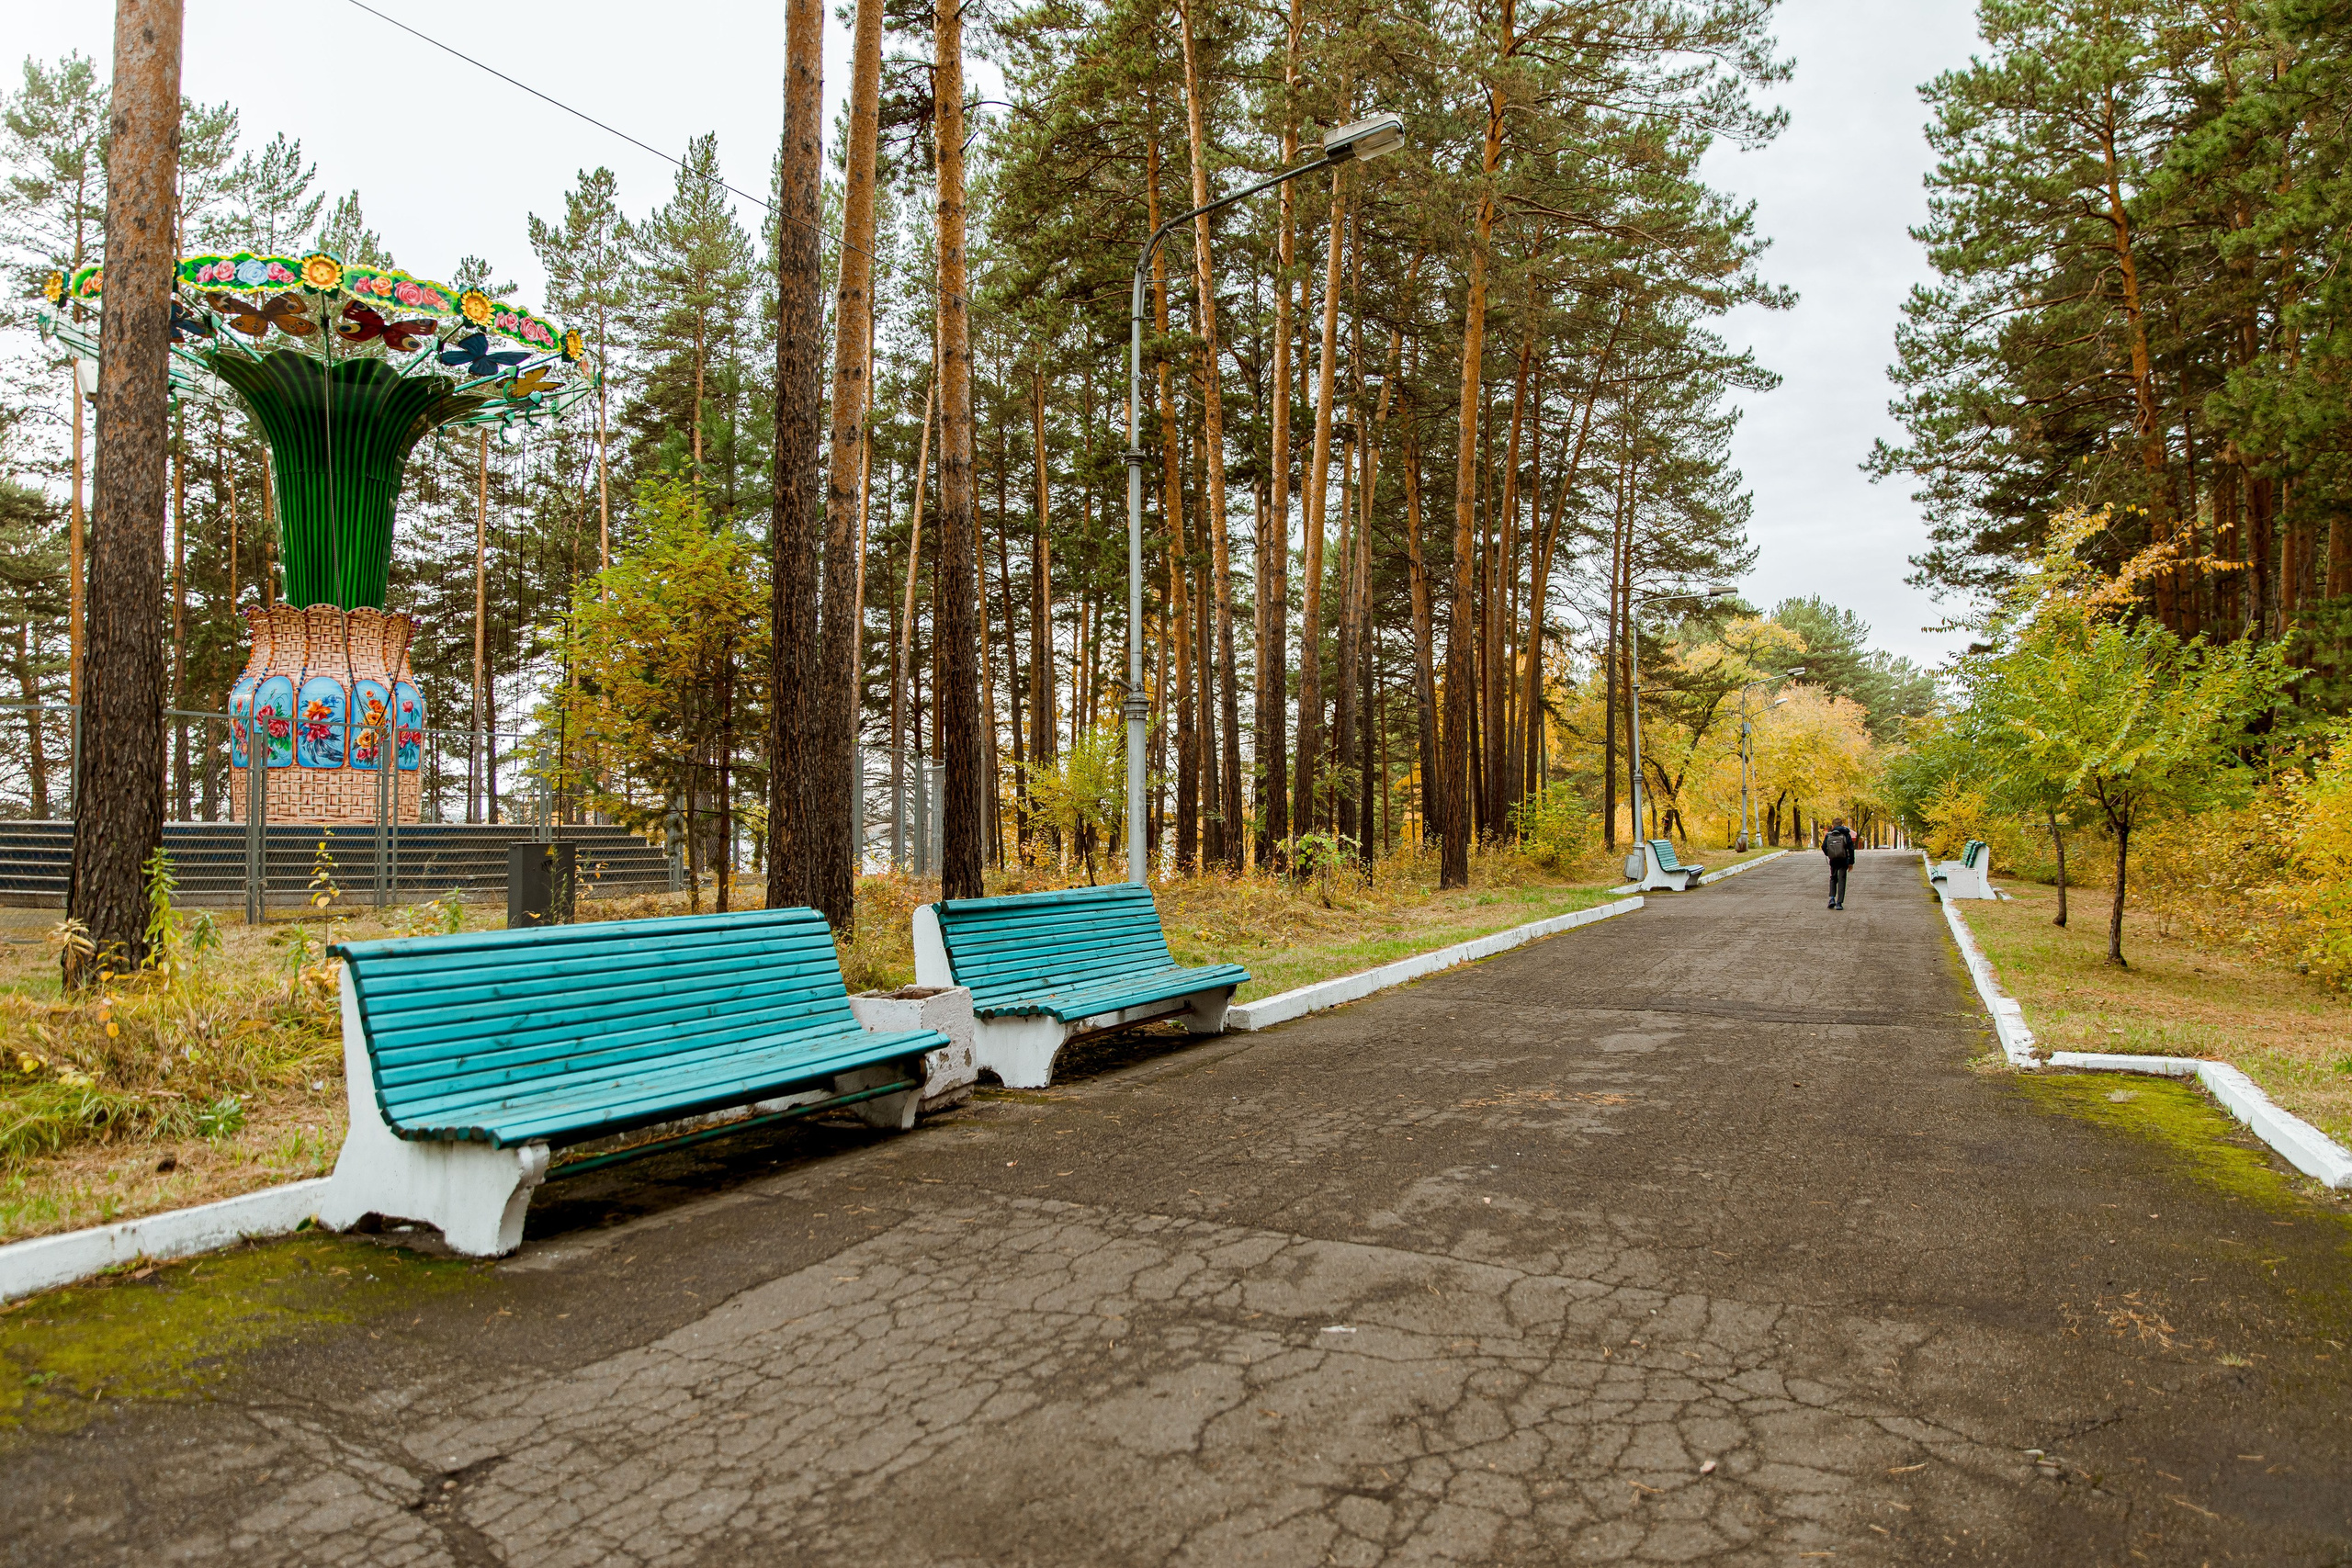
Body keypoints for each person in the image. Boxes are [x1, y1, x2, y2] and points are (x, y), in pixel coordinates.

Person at [1823, 818, 1856, 909]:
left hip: (1833, 860)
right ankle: (1839, 903)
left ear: (1833, 825)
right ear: (1842, 825)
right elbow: (1851, 849)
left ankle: (1832, 898)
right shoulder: (1846, 834)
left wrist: (1830, 854)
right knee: (1842, 880)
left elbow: (1824, 846)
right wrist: (1851, 862)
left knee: (1833, 878)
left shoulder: (1829, 835)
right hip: (1843, 860)